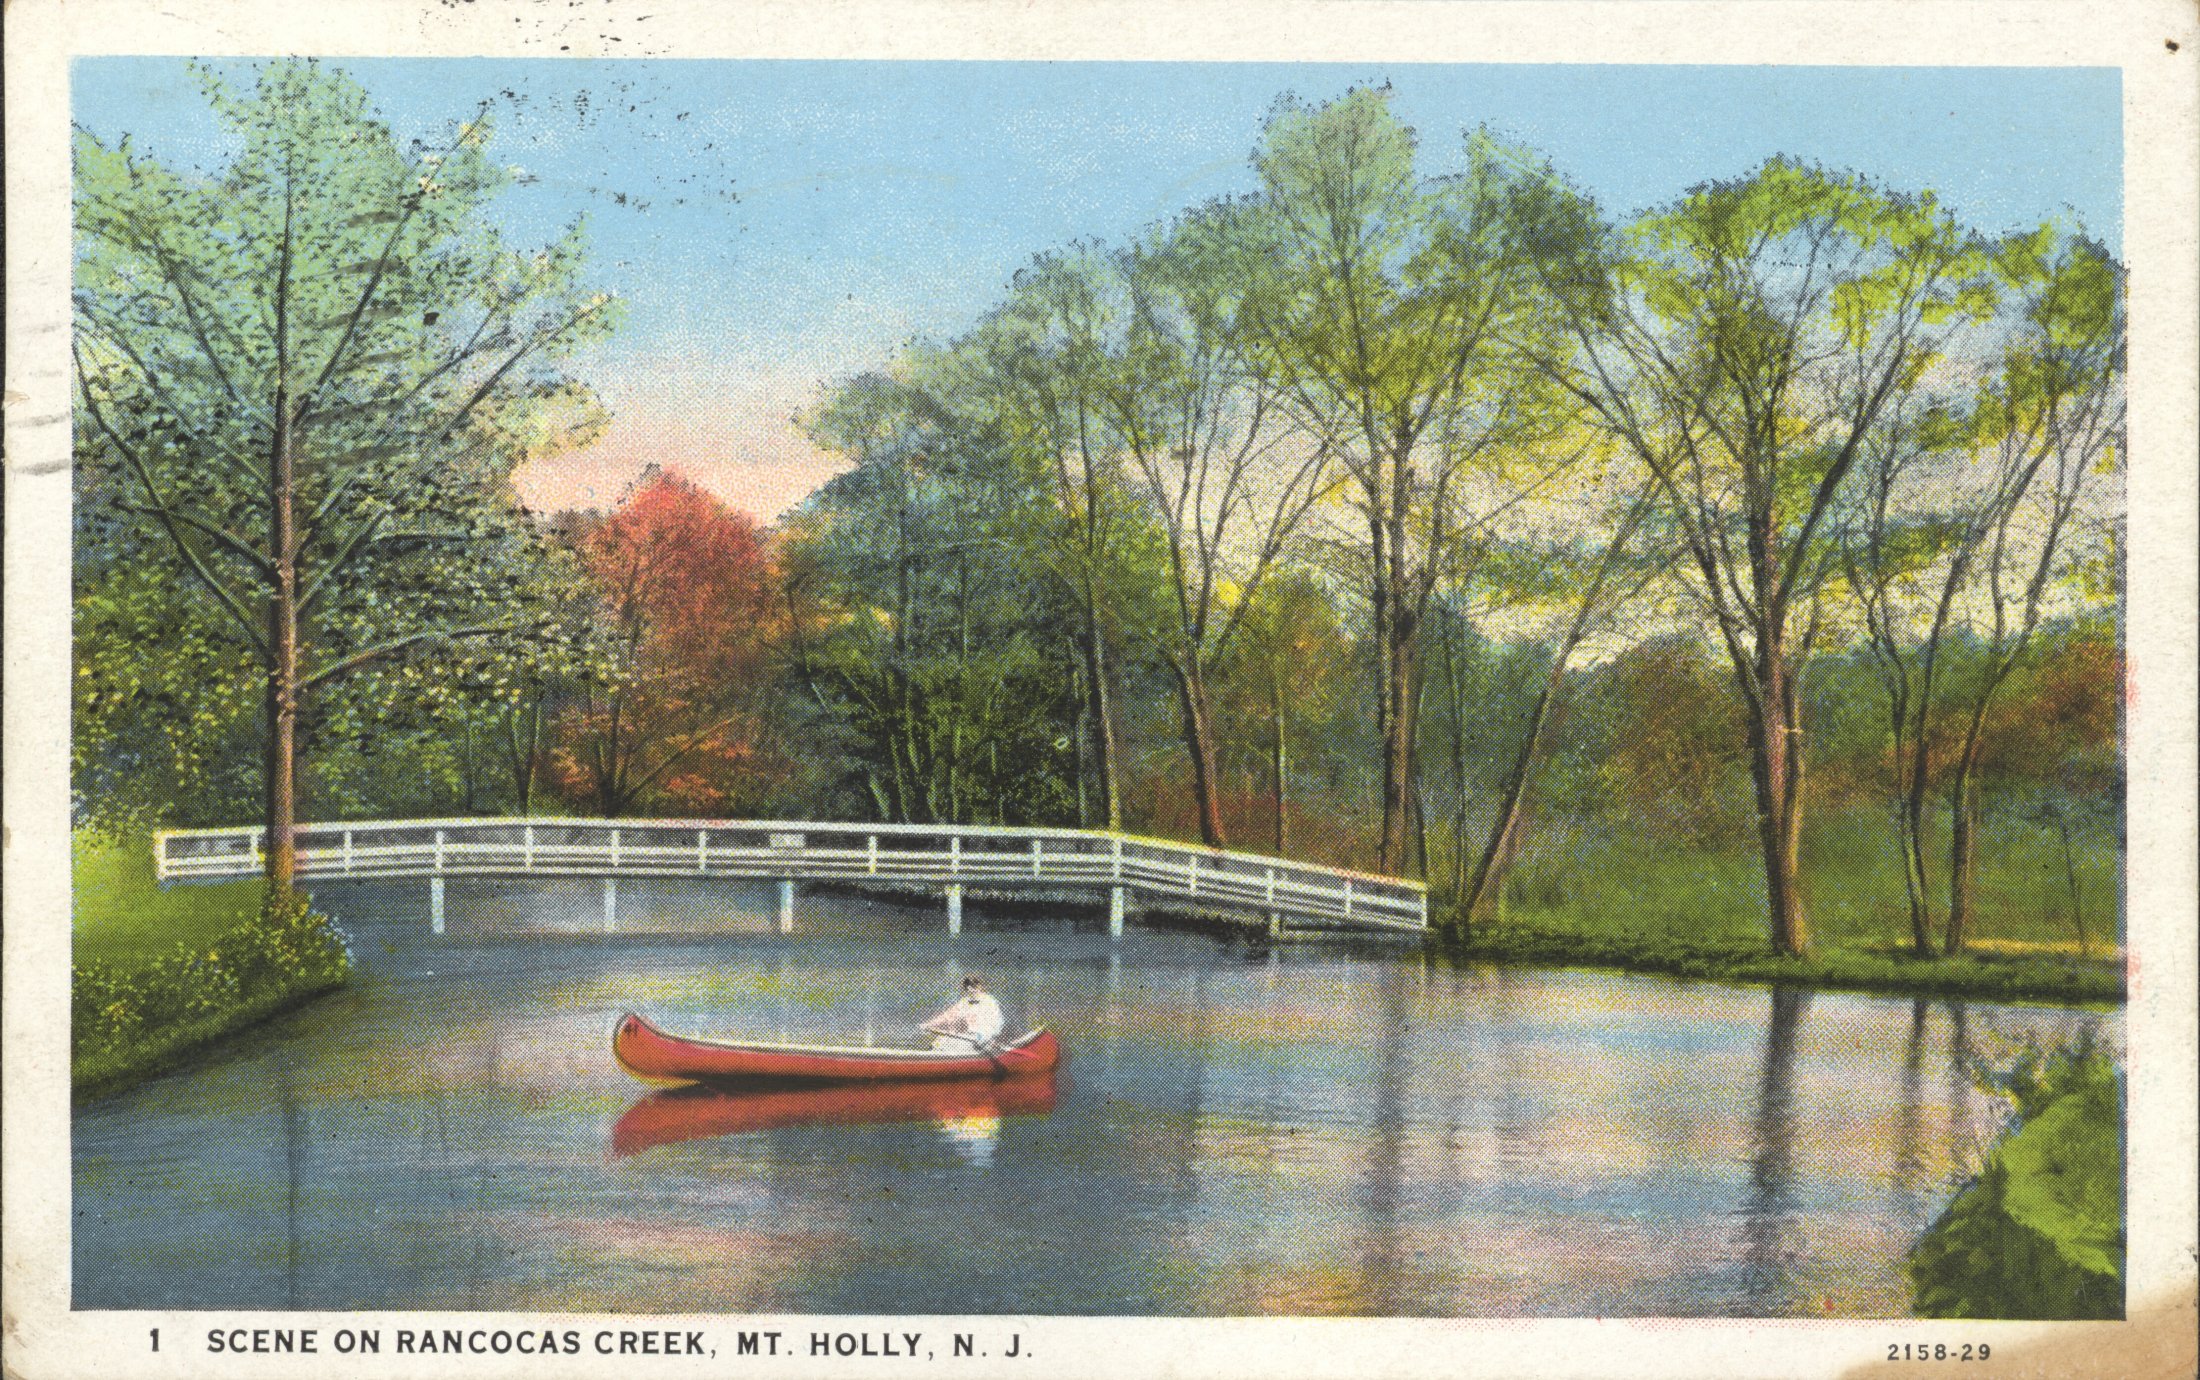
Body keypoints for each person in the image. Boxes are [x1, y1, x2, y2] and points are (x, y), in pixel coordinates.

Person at [922, 976, 1005, 1052]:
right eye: (968, 988)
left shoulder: (989, 1002)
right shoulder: (964, 1002)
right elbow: (947, 1016)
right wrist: (928, 1024)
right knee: (938, 1042)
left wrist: (983, 1036)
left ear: (980, 986)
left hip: (983, 1037)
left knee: (953, 1045)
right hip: (968, 1035)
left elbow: (995, 1024)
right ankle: (929, 1057)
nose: (971, 990)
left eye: (974, 987)